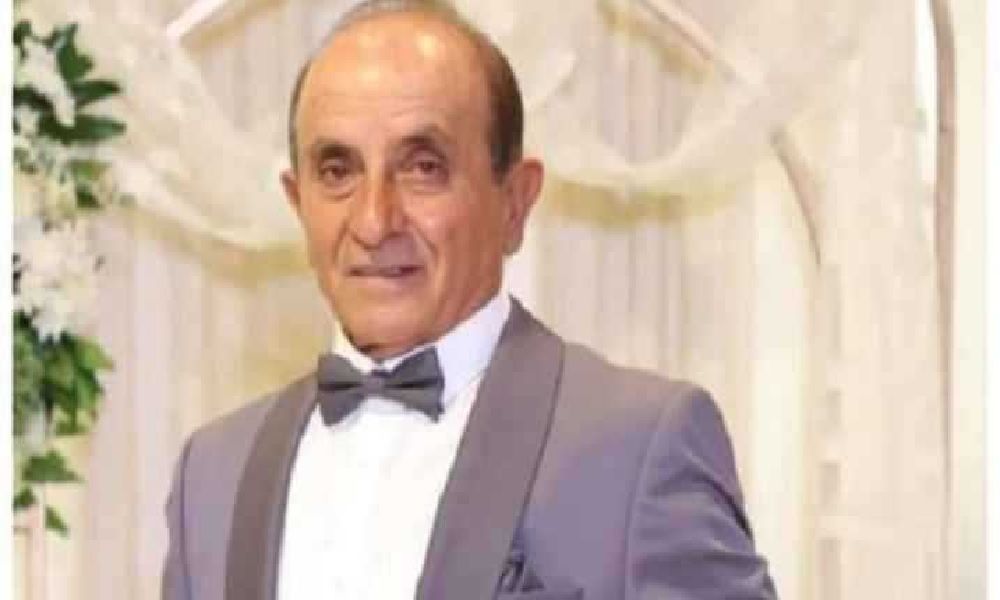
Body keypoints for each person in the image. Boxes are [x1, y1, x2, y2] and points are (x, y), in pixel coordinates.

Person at [162, 1, 777, 598]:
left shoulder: (640, 447)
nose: (374, 221)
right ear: (298, 203)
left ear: (515, 202)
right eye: (337, 171)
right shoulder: (212, 475)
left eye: (423, 167)